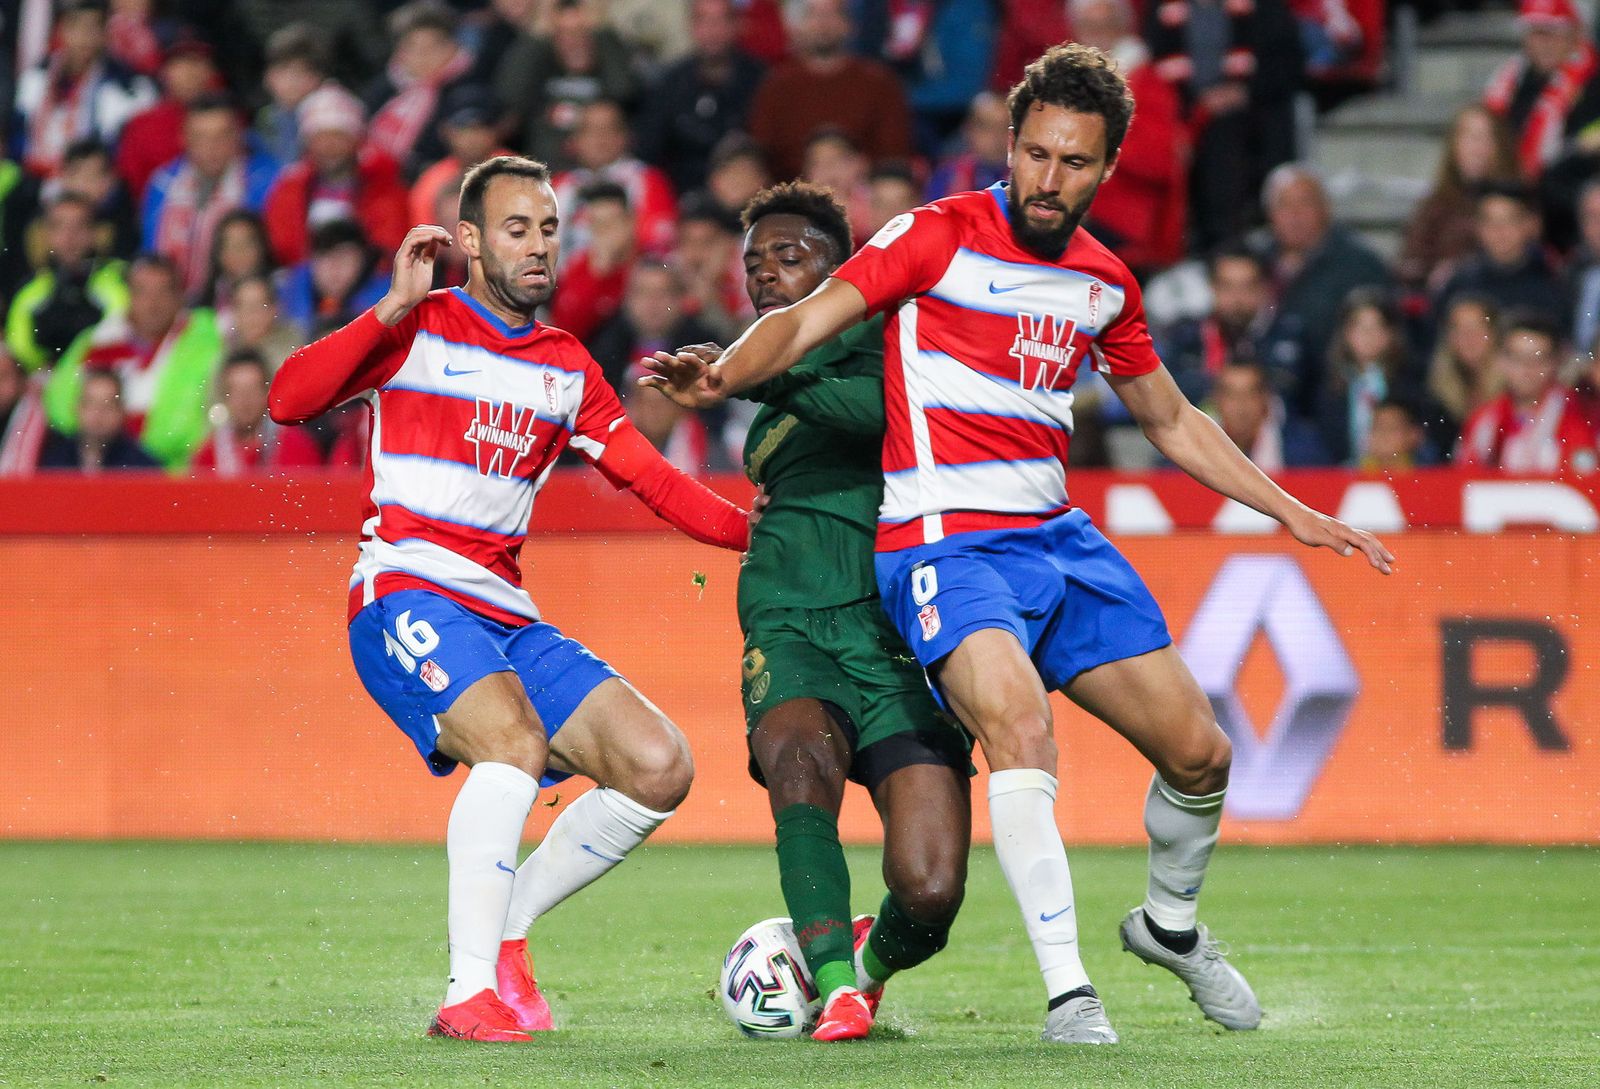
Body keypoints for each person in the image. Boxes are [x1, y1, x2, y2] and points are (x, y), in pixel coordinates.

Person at [642, 43, 1393, 1044]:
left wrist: (1284, 507)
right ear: (1010, 143)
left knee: (1201, 752)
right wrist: (724, 376)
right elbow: (810, 318)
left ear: (1107, 166)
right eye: (1035, 154)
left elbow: (1170, 420)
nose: (1049, 179)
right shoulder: (933, 237)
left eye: (1073, 163)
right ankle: (1068, 994)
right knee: (1021, 729)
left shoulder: (1103, 283)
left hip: (1055, 541)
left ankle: (1168, 927)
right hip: (941, 543)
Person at [266, 156, 752, 1043]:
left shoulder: (567, 368)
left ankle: (510, 928)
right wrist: (388, 306)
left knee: (658, 763)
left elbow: (657, 483)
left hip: (503, 611)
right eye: (518, 228)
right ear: (473, 241)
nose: (539, 246)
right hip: (401, 590)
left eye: (550, 227)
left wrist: (764, 533)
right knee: (515, 743)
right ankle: (466, 993)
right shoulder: (417, 328)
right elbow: (287, 398)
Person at [656, 181, 974, 1041]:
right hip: (790, 617)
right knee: (799, 763)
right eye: (754, 264)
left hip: (899, 628)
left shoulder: (894, 338)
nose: (765, 276)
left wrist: (752, 376)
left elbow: (884, 414)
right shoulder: (765, 392)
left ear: (846, 272)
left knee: (932, 885)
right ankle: (831, 986)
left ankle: (867, 968)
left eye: (789, 257)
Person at [43, 253, 224, 469]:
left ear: (179, 296)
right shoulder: (99, 339)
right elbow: (60, 405)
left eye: (162, 292)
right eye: (142, 292)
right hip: (98, 467)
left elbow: (199, 426)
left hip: (177, 477)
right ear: (129, 295)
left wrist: (138, 454)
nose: (152, 303)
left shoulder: (207, 345)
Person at [748, 0, 913, 180]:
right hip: (792, 196)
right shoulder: (776, 86)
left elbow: (894, 155)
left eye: (832, 14)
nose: (823, 24)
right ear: (796, 26)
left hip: (865, 194)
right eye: (813, 15)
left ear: (849, 25)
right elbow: (761, 156)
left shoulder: (879, 82)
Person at [141, 95, 280, 296]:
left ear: (237, 136)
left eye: (221, 136)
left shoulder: (265, 181)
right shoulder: (163, 184)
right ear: (183, 138)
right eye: (201, 137)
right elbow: (151, 253)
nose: (211, 147)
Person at [262, 83, 409, 268]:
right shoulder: (288, 191)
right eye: (320, 138)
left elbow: (391, 250)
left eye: (338, 136)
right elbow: (282, 250)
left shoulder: (384, 190)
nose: (328, 146)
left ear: (357, 140)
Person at [634, 0, 767, 197]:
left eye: (720, 21)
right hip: (685, 200)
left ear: (735, 25)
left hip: (749, 196)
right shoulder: (668, 84)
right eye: (703, 21)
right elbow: (648, 153)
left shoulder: (761, 80)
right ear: (691, 26)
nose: (712, 31)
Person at [1398, 105, 1520, 293]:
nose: (1476, 149)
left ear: (1500, 145)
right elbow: (1409, 263)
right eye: (1468, 137)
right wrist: (1431, 272)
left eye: (1485, 138)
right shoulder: (1434, 205)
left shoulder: (1520, 201)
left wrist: (1461, 269)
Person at [1456, 311, 1597, 471]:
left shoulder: (1578, 416)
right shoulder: (1484, 422)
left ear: (1555, 362)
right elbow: (1465, 479)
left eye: (1538, 359)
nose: (1527, 370)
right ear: (1501, 360)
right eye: (1518, 358)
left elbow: (1584, 479)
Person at [6, 191, 129, 373]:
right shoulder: (30, 293)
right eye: (59, 226)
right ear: (46, 234)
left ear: (95, 233)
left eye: (79, 226)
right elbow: (21, 352)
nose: (69, 236)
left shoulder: (121, 279)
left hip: (106, 377)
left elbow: (120, 337)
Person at [1483, 0, 1600, 180]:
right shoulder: (1510, 82)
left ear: (1575, 35)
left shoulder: (1592, 82)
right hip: (1510, 184)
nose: (1544, 43)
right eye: (1536, 33)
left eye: (1553, 32)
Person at [191, 349, 322, 474]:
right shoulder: (209, 455)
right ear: (225, 396)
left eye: (253, 390)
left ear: (267, 393)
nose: (245, 401)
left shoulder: (296, 446)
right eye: (236, 392)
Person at [37, 367, 161, 471]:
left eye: (108, 405)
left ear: (122, 411)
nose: (98, 413)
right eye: (91, 403)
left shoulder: (142, 468)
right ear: (77, 408)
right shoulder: (53, 462)